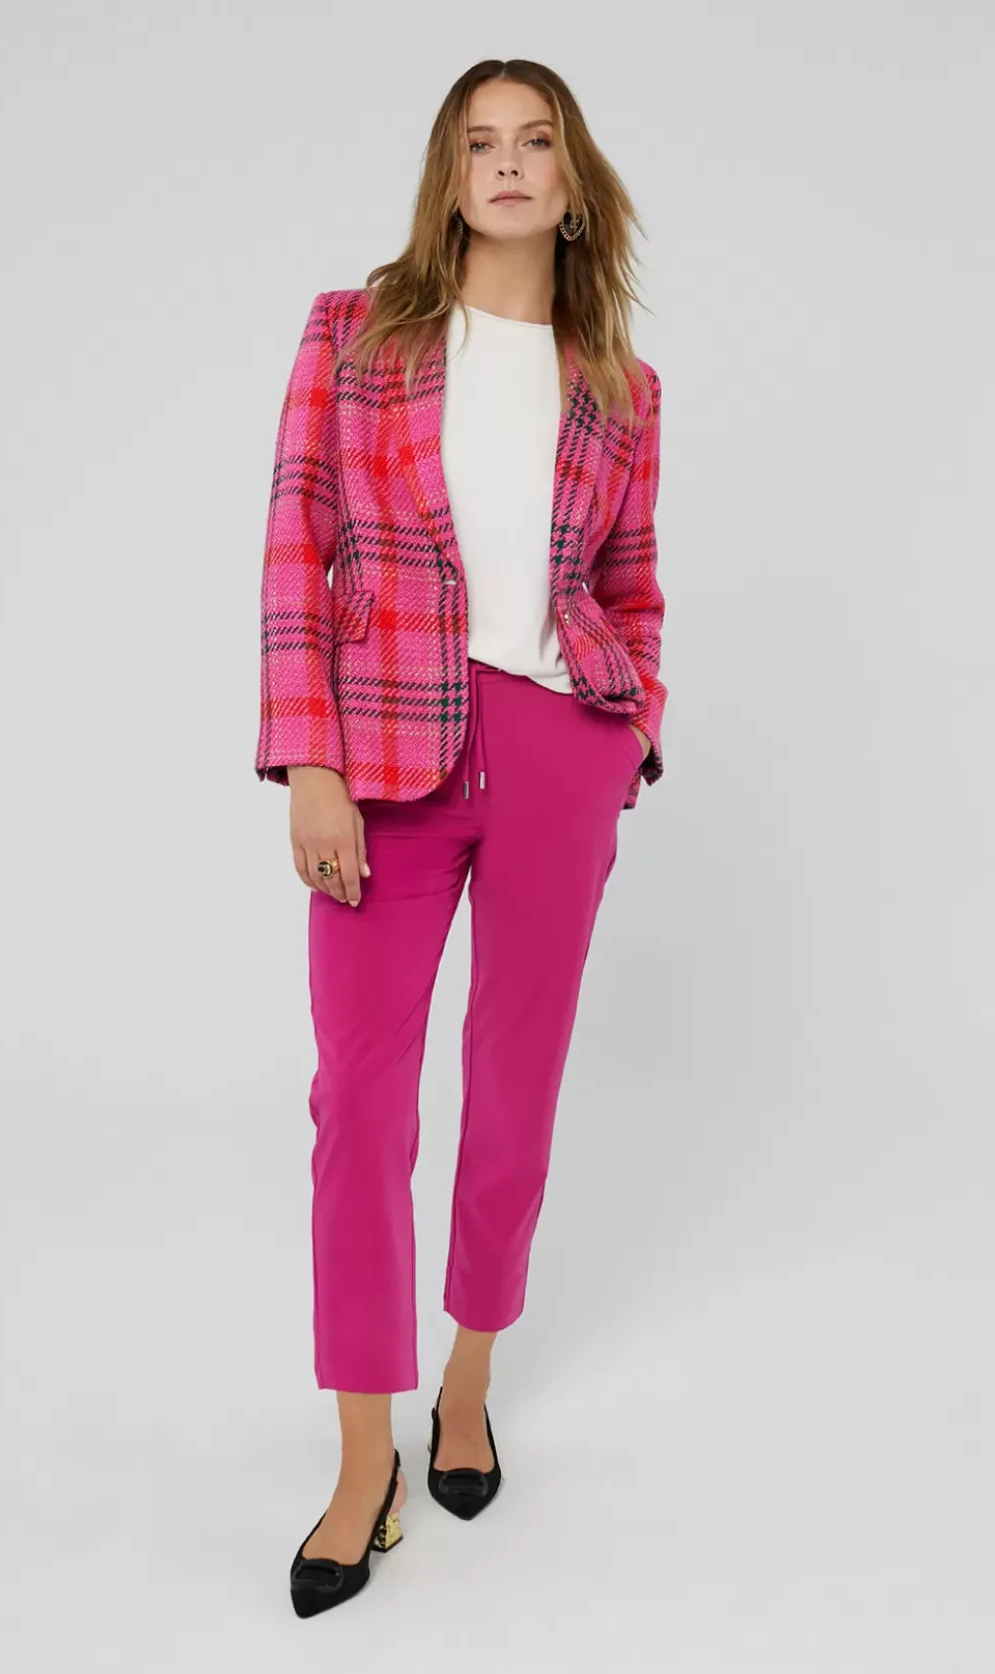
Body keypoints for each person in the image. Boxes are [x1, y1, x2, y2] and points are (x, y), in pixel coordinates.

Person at [254, 58, 667, 1619]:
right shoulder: (353, 333)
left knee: (516, 1089)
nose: (506, 163)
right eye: (479, 142)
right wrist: (309, 759)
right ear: (448, 176)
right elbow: (296, 544)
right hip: (382, 752)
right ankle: (363, 1458)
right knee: (359, 1098)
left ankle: (469, 1379)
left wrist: (630, 730)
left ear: (570, 184)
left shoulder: (620, 385)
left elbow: (631, 581)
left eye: (534, 141)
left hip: (561, 750)